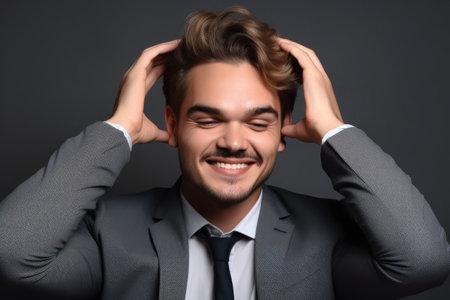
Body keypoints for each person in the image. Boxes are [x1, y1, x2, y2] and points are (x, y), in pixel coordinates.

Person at [0, 6, 449, 300]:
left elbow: (423, 263)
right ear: (172, 125)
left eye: (258, 123)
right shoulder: (108, 235)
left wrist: (334, 131)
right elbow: (13, 253)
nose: (234, 142)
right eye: (208, 120)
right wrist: (119, 128)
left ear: (281, 132)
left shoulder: (325, 238)